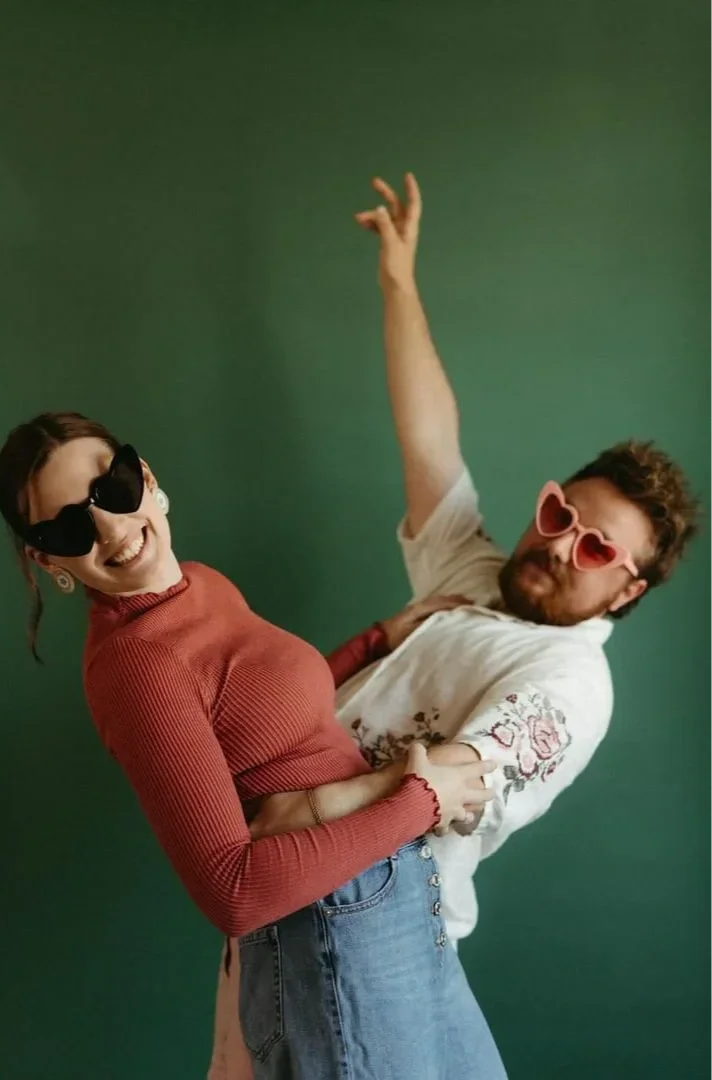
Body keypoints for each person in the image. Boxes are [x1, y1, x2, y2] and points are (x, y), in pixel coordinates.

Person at [207, 173, 701, 1078]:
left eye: (596, 551)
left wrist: (294, 809)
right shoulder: (472, 578)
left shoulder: (571, 680)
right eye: (560, 515)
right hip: (320, 897)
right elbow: (429, 435)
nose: (560, 547)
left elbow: (454, 784)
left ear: (626, 592)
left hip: (369, 902)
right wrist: (398, 277)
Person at [0, 412, 509, 1080]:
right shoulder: (134, 666)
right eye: (67, 527)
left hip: (389, 893)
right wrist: (419, 802)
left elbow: (264, 714)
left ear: (145, 477)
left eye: (113, 488)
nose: (112, 530)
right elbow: (230, 892)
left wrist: (378, 638)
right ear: (47, 559)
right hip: (335, 926)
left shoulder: (198, 585)